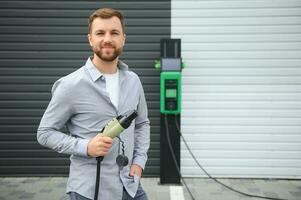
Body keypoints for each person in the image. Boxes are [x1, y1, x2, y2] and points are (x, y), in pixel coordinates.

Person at [37, 8, 150, 200]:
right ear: (90, 39)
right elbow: (45, 133)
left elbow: (142, 123)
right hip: (89, 190)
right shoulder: (70, 85)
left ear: (124, 38)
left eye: (114, 33)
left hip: (130, 185)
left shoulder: (133, 81)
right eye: (100, 33)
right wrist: (85, 146)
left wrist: (139, 163)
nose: (107, 39)